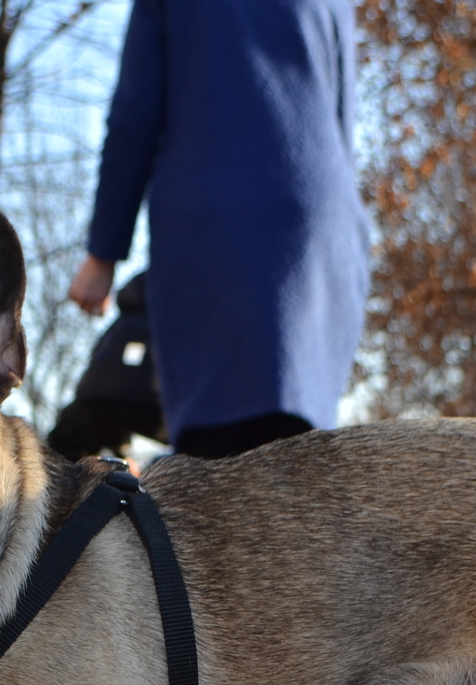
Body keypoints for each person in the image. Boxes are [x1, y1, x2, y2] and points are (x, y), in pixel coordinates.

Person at [67, 0, 367, 459]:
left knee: (221, 469)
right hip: (326, 226)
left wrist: (103, 253)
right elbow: (343, 113)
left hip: (219, 221)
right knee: (300, 464)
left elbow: (135, 112)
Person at [46, 272, 166, 460]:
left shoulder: (119, 327)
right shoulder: (170, 319)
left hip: (93, 399)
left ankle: (55, 482)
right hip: (154, 399)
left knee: (62, 451)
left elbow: (98, 363)